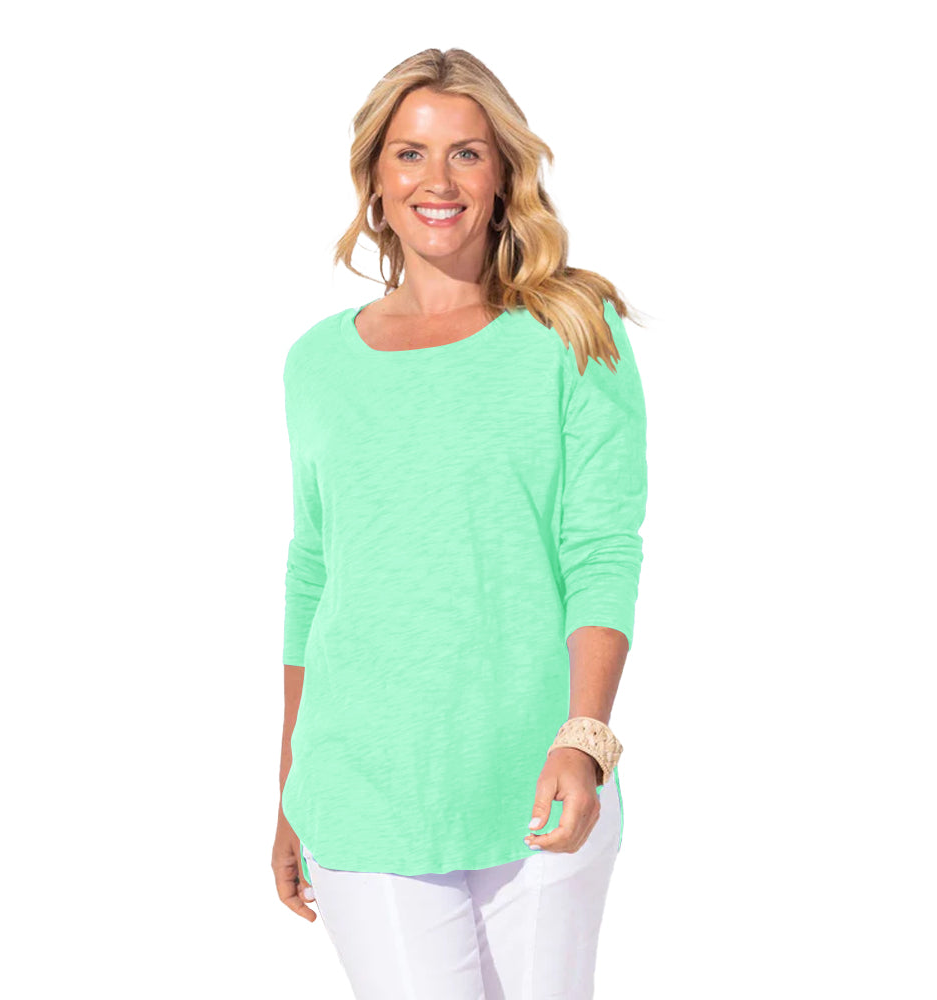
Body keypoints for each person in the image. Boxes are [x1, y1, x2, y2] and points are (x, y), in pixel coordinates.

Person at [272, 47, 648, 1000]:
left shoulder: (573, 329)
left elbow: (601, 547)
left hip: (537, 775)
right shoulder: (317, 363)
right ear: (374, 179)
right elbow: (315, 570)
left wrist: (584, 738)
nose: (437, 181)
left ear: (502, 174)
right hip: (360, 785)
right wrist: (288, 789)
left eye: (466, 153)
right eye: (410, 153)